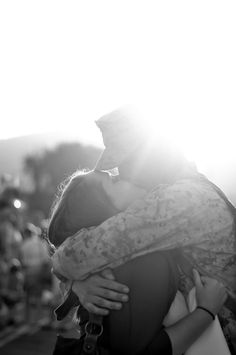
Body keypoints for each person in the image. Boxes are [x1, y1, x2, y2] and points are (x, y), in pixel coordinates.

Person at [50, 108, 236, 353]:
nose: (123, 173)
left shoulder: (178, 200)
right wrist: (78, 283)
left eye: (124, 164)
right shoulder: (191, 189)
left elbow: (72, 257)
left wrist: (75, 279)